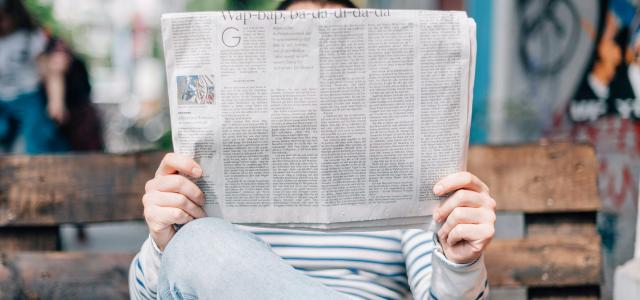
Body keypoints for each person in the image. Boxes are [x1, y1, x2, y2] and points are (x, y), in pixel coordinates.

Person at [130, 1, 495, 299]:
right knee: (199, 243)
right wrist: (165, 243)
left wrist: (459, 262)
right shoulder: (209, 178)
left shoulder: (406, 178)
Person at [0, 0, 69, 153]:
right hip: (2, 99)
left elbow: (50, 72)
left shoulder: (30, 37)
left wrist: (56, 101)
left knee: (36, 138)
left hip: (28, 96)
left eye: (4, 18)